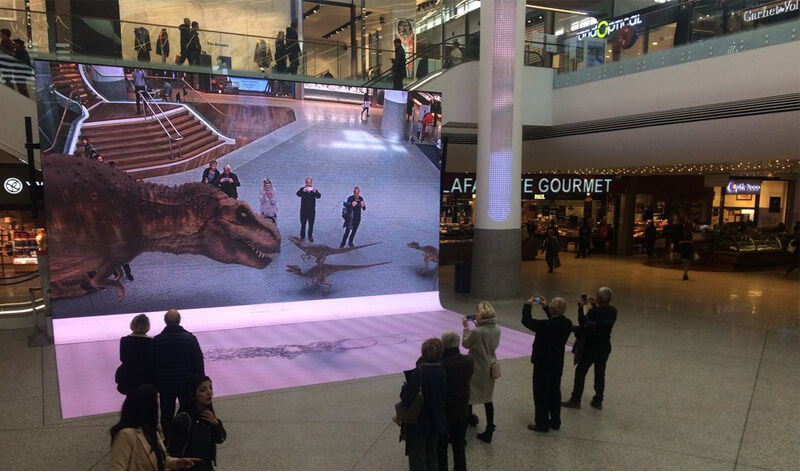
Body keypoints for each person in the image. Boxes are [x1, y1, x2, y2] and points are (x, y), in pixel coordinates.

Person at [108, 384, 200, 471]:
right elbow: (116, 468)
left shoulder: (151, 431)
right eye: (157, 398)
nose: (159, 404)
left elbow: (159, 459)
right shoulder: (126, 435)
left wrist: (177, 462)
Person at [149, 309, 205, 439]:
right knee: (187, 410)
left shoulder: (157, 341)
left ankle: (169, 440)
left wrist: (155, 384)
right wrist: (200, 383)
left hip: (165, 383)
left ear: (165, 321)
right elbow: (198, 361)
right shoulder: (190, 339)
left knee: (166, 413)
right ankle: (185, 436)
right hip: (186, 383)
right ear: (179, 321)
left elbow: (151, 364)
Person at [521, 296, 574, 433]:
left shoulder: (545, 326)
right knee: (555, 392)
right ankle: (555, 421)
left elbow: (526, 321)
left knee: (540, 393)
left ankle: (542, 423)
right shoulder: (567, 323)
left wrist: (528, 306)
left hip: (542, 363)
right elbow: (555, 319)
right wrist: (545, 307)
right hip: (557, 363)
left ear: (552, 309)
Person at [562, 287, 617, 410]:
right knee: (600, 373)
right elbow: (600, 318)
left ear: (600, 298)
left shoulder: (593, 313)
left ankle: (576, 399)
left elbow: (583, 322)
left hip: (591, 346)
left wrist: (580, 308)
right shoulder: (613, 311)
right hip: (605, 346)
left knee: (581, 371)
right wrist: (594, 306)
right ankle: (598, 400)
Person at [400, 338, 447, 471]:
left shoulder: (418, 372)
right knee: (432, 453)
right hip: (436, 419)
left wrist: (404, 389)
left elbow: (408, 398)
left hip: (419, 420)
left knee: (418, 457)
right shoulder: (442, 371)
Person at [168, 375, 226, 471]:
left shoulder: (208, 415)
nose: (209, 393)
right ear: (193, 395)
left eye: (211, 388)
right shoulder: (183, 420)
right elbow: (174, 452)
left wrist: (216, 424)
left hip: (206, 466)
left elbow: (220, 439)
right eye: (203, 390)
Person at [462, 301, 501, 443]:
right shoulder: (497, 329)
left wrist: (466, 328)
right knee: (487, 398)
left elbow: (466, 344)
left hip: (476, 366)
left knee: (470, 396)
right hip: (490, 364)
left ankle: (468, 419)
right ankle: (490, 428)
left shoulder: (477, 332)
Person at [437, 331, 473, 471]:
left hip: (445, 410)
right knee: (459, 446)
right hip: (461, 409)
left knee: (442, 446)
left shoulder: (442, 365)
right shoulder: (469, 361)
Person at [116, 314, 153, 395]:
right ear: (147, 326)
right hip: (146, 379)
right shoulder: (151, 342)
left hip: (129, 378)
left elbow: (123, 359)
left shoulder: (125, 341)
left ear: (133, 325)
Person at [296, 177, 321, 242]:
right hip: (304, 210)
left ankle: (310, 235)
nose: (309, 184)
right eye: (307, 182)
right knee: (303, 223)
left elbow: (319, 196)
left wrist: (315, 192)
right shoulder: (302, 189)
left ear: (311, 183)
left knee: (311, 224)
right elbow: (298, 194)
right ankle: (302, 236)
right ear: (305, 183)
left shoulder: (314, 189)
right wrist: (302, 191)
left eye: (310, 182)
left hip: (311, 210)